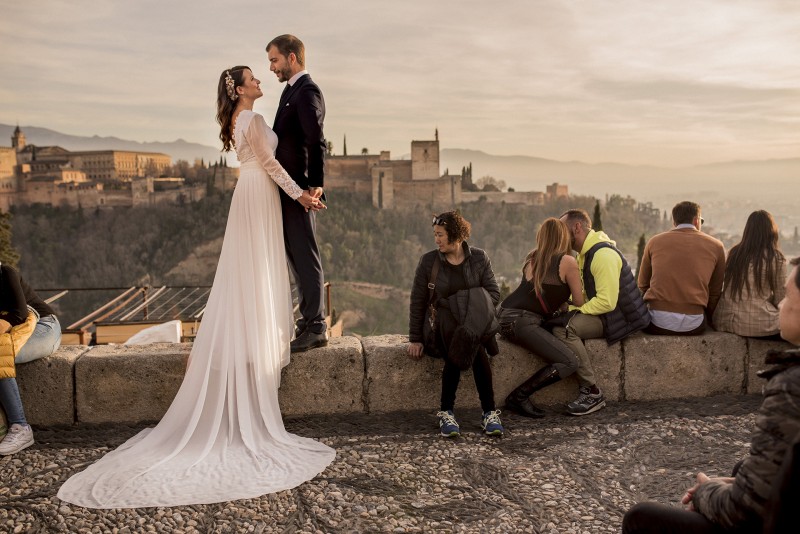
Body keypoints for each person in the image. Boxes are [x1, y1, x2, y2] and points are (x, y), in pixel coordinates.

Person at [56, 66, 335, 508]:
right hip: (262, 192)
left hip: (250, 195)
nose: (261, 80)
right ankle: (257, 358)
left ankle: (251, 346)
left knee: (249, 271)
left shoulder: (239, 120)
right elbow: (270, 163)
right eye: (253, 78)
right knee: (257, 269)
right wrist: (301, 194)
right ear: (240, 90)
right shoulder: (252, 120)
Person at [622, 256, 800, 533]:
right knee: (742, 467)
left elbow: (743, 513)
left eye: (788, 296)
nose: (780, 304)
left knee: (640, 517)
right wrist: (739, 483)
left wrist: (707, 492)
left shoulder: (791, 387)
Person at [408, 211, 504, 437]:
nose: (436, 240)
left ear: (456, 235)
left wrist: (463, 305)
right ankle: (488, 412)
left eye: (440, 235)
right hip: (439, 327)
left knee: (468, 338)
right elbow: (418, 301)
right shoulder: (429, 261)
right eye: (435, 235)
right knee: (466, 340)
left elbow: (493, 293)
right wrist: (415, 338)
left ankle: (447, 412)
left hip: (472, 325)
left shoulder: (479, 258)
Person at [266, 34, 328, 353]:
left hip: (300, 189)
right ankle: (307, 320)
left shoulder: (307, 91)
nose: (272, 67)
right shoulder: (291, 91)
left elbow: (315, 139)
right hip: (288, 190)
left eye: (275, 60)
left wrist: (314, 184)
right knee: (294, 254)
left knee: (305, 254)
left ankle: (317, 324)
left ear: (292, 58)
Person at [556, 209, 650, 415]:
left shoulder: (602, 255)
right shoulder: (586, 253)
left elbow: (606, 302)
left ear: (577, 228)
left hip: (618, 318)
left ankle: (592, 392)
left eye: (563, 230)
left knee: (564, 329)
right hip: (610, 314)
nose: (559, 236)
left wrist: (573, 309)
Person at [497, 218, 585, 418]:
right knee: (570, 361)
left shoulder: (532, 258)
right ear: (563, 236)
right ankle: (519, 396)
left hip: (503, 318)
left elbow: (538, 293)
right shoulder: (567, 261)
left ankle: (518, 397)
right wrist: (566, 303)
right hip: (523, 322)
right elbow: (579, 301)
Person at [638, 201, 726, 335]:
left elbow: (643, 285)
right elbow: (714, 293)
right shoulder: (717, 246)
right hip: (694, 323)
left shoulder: (654, 242)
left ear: (674, 222)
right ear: (696, 221)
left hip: (656, 322)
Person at [713, 210, 786, 339]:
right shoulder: (775, 258)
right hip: (756, 323)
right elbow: (781, 299)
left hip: (724, 321)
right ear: (771, 231)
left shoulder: (734, 253)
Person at [0, 263, 38, 456]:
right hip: (16, 329)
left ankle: (20, 426)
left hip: (41, 325)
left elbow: (19, 315)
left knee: (1, 353)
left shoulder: (5, 273)